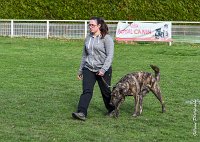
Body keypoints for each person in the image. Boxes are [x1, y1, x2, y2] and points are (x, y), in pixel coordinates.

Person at [72, 17, 115, 121]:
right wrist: (81, 70)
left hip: (103, 70)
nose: (90, 27)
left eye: (92, 25)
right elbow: (84, 55)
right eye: (89, 25)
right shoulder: (88, 38)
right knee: (86, 91)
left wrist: (103, 69)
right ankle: (81, 112)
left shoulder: (107, 38)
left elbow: (110, 56)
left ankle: (112, 110)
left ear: (99, 26)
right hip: (89, 68)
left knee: (105, 92)